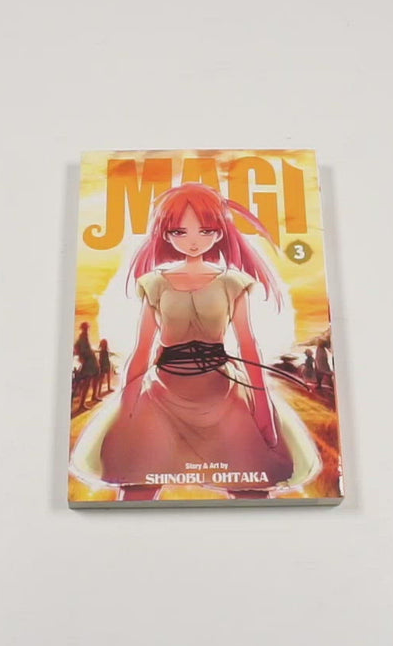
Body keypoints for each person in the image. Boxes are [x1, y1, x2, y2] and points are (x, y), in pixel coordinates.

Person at [70, 182, 320, 501]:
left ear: (219, 232)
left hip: (222, 390)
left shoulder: (233, 282)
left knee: (251, 485)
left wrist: (262, 409)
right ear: (166, 234)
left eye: (205, 230)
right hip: (162, 391)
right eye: (180, 231)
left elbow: (248, 345)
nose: (193, 240)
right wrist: (127, 404)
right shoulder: (155, 283)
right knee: (137, 484)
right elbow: (143, 348)